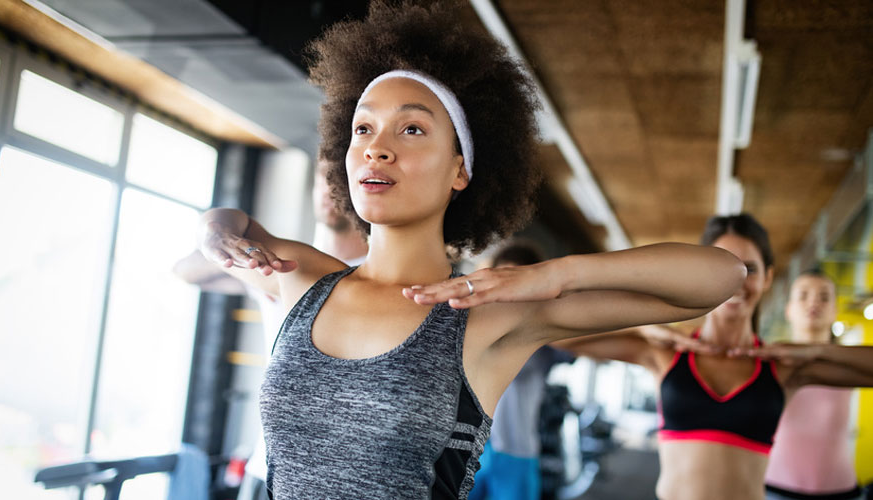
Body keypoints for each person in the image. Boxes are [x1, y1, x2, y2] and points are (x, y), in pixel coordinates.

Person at [196, 2, 746, 498]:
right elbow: (235, 224)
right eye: (363, 129)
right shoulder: (302, 278)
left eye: (411, 129)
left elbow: (721, 276)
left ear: (461, 169)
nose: (377, 149)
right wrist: (212, 226)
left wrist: (554, 276)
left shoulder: (488, 316)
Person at [554, 214, 873, 500]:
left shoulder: (782, 368)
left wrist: (816, 349)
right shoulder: (665, 352)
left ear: (768, 278)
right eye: (722, 267)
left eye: (749, 269)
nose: (736, 280)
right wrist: (645, 330)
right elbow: (559, 337)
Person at [175, 161, 367, 500]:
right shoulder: (276, 265)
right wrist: (219, 241)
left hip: (333, 480)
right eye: (322, 175)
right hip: (263, 470)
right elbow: (185, 271)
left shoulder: (372, 280)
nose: (328, 188)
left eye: (339, 176)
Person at [469, 242, 573, 500]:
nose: (507, 291)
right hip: (471, 450)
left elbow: (581, 339)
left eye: (515, 281)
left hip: (515, 453)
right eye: (501, 279)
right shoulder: (477, 325)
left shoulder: (542, 333)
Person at [764, 270, 865, 500]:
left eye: (824, 297)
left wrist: (819, 350)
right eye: (804, 295)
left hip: (842, 491)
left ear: (835, 311)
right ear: (788, 309)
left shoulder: (850, 362)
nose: (814, 302)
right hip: (777, 489)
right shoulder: (770, 361)